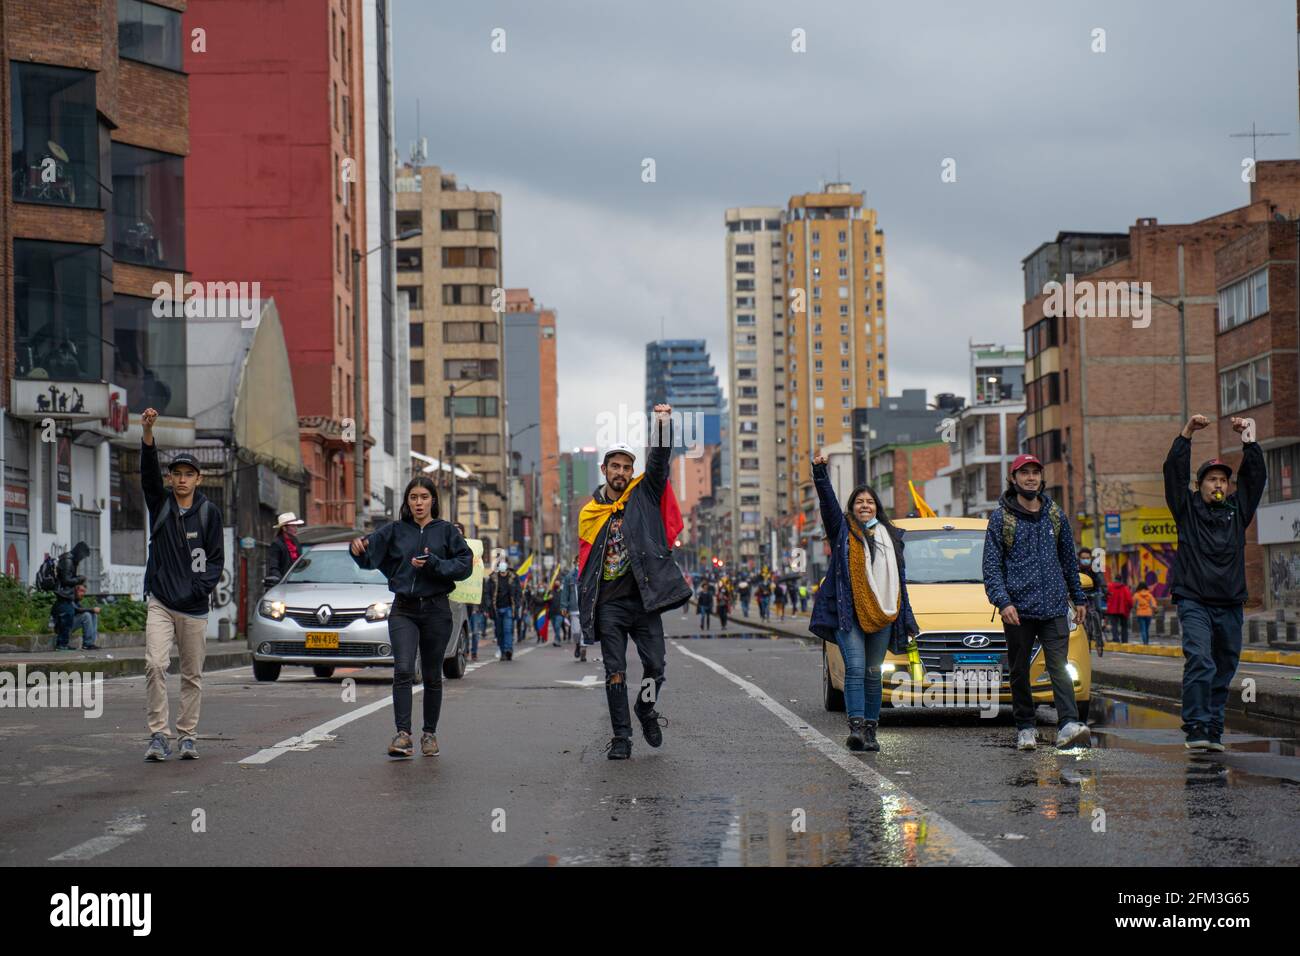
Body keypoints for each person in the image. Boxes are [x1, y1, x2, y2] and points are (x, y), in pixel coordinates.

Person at [576, 403, 690, 760]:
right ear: (604, 470)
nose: (621, 472)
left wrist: (662, 425)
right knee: (615, 672)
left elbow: (659, 462)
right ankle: (621, 737)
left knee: (655, 667)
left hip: (644, 601)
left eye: (627, 467)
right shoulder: (590, 513)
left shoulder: (644, 494)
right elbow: (585, 569)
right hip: (609, 605)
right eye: (615, 466)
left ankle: (645, 708)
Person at [350, 475, 472, 758]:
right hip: (403, 609)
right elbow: (369, 555)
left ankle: (429, 735)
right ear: (407, 501)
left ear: (433, 501)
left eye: (424, 497)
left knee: (432, 675)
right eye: (413, 498)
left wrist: (434, 565)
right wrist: (356, 549)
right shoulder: (394, 530)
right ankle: (403, 735)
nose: (418, 503)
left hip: (437, 610)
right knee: (403, 669)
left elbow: (464, 566)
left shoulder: (446, 532)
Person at [1164, 413, 1265, 751]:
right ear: (1201, 485)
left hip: (1230, 603)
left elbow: (1255, 479)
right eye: (1212, 479)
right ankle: (1195, 727)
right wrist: (1187, 434)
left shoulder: (1239, 512)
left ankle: (1213, 729)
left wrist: (1249, 441)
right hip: (1194, 601)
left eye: (1223, 479)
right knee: (1200, 660)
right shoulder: (1187, 509)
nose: (1219, 484)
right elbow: (1173, 474)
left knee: (1224, 668)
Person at [809, 452, 919, 752]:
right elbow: (827, 504)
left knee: (873, 672)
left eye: (870, 502)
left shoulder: (892, 536)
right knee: (855, 668)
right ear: (852, 508)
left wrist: (906, 618)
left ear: (877, 508)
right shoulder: (842, 530)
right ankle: (856, 728)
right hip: (849, 613)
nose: (865, 506)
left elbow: (900, 582)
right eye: (859, 502)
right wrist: (820, 472)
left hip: (883, 613)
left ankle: (871, 731)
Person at [983, 453, 1092, 752]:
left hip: (1055, 606)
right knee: (1019, 669)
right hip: (1017, 610)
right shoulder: (1001, 518)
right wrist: (1003, 602)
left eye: (1035, 473)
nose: (1030, 478)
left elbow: (1069, 560)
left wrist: (1078, 597)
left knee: (1059, 665)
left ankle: (1068, 724)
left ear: (1041, 478)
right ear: (1013, 479)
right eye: (1024, 473)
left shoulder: (1055, 514)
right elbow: (991, 567)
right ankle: (1026, 727)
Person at [140, 407, 224, 762]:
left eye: (189, 474)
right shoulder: (159, 504)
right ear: (171, 479)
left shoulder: (209, 514)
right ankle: (159, 735)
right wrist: (147, 432)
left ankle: (187, 736)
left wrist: (199, 589)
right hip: (160, 601)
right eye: (177, 474)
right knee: (155, 665)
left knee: (192, 675)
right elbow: (147, 475)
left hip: (193, 608)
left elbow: (217, 561)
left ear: (198, 479)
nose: (183, 479)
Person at [51, 541, 90, 651]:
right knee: (66, 618)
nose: (82, 559)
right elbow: (66, 579)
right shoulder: (68, 561)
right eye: (82, 556)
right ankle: (62, 644)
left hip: (66, 595)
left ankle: (63, 643)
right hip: (64, 595)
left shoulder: (71, 560)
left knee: (67, 619)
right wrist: (79, 579)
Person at [482, 560, 521, 660]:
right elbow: (487, 593)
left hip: (509, 608)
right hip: (497, 609)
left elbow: (518, 592)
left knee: (508, 630)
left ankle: (508, 650)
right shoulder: (492, 578)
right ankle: (502, 651)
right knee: (499, 631)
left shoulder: (513, 577)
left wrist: (517, 605)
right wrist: (489, 605)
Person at [266, 511, 305, 585]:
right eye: (293, 526)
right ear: (284, 528)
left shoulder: (296, 541)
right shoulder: (276, 544)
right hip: (283, 585)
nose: (296, 528)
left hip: (297, 583)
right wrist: (282, 582)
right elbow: (273, 567)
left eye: (296, 526)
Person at [70, 583, 101, 650]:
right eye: (81, 591)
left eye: (84, 592)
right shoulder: (69, 598)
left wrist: (92, 611)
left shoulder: (77, 601)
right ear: (75, 590)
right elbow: (76, 610)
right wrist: (92, 609)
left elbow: (81, 610)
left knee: (93, 614)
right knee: (86, 615)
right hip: (61, 627)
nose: (83, 594)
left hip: (69, 624)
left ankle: (91, 643)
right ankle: (87, 644)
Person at [1106, 577, 1134, 644]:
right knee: (1124, 626)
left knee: (1114, 625)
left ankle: (1116, 639)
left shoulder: (1110, 587)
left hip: (1112, 610)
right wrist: (1130, 607)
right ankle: (1124, 640)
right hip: (1123, 610)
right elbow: (1129, 600)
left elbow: (1106, 596)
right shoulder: (1125, 588)